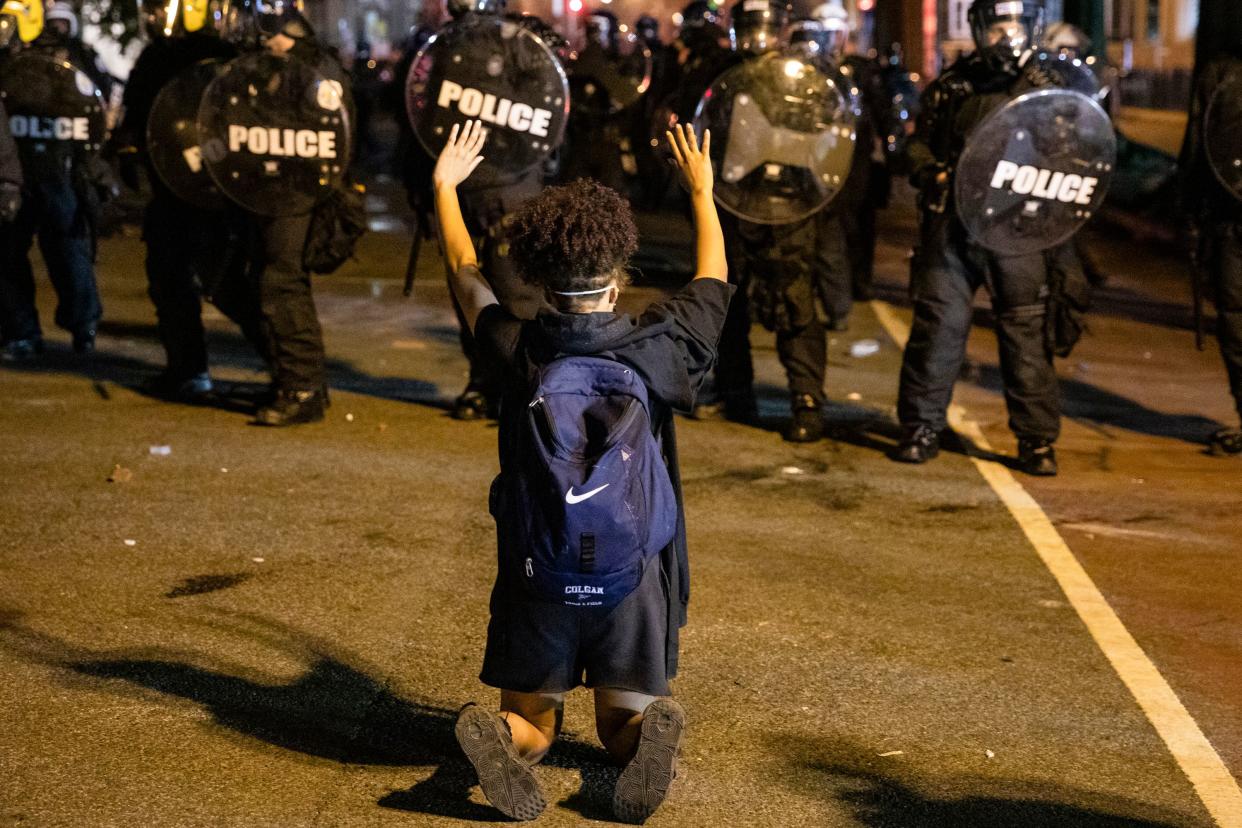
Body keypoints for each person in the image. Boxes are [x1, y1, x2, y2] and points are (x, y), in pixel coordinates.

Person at [433, 120, 730, 822]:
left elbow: (465, 273)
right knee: (617, 730)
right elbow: (713, 279)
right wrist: (702, 193)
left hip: (538, 568)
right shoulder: (659, 346)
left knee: (537, 727)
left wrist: (445, 186)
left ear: (538, 273)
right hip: (633, 573)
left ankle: (504, 739)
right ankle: (643, 740)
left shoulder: (519, 346)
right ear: (619, 271)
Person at [895, 0, 1067, 476]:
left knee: (1025, 333)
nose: (1006, 35)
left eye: (1014, 24)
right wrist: (929, 171)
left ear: (1031, 27)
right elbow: (916, 144)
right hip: (954, 227)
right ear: (980, 29)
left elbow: (1080, 156)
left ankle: (1036, 441)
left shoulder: (1050, 90)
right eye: (997, 25)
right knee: (938, 329)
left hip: (1020, 229)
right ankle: (921, 428)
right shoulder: (954, 86)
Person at [703, 0, 846, 443]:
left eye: (764, 26)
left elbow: (830, 138)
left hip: (786, 206)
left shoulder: (802, 78)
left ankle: (806, 401)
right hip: (733, 201)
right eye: (748, 26)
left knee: (794, 302)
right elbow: (694, 121)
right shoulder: (719, 73)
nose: (756, 36)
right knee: (728, 301)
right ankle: (734, 391)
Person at [113, 0, 247, 401]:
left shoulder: (168, 57)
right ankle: (194, 370)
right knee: (202, 281)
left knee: (187, 282)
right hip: (212, 192)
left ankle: (190, 370)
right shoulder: (231, 58)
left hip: (190, 190)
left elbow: (131, 123)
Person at [0, 1, 108, 361]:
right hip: (33, 171)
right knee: (23, 252)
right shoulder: (9, 60)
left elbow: (96, 105)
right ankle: (44, 329)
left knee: (64, 249)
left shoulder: (70, 57)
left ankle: (64, 328)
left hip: (52, 171)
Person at [1180, 50, 1242, 456]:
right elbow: (1198, 148)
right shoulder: (1222, 76)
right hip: (1229, 219)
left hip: (1226, 218)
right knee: (1236, 325)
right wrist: (1190, 212)